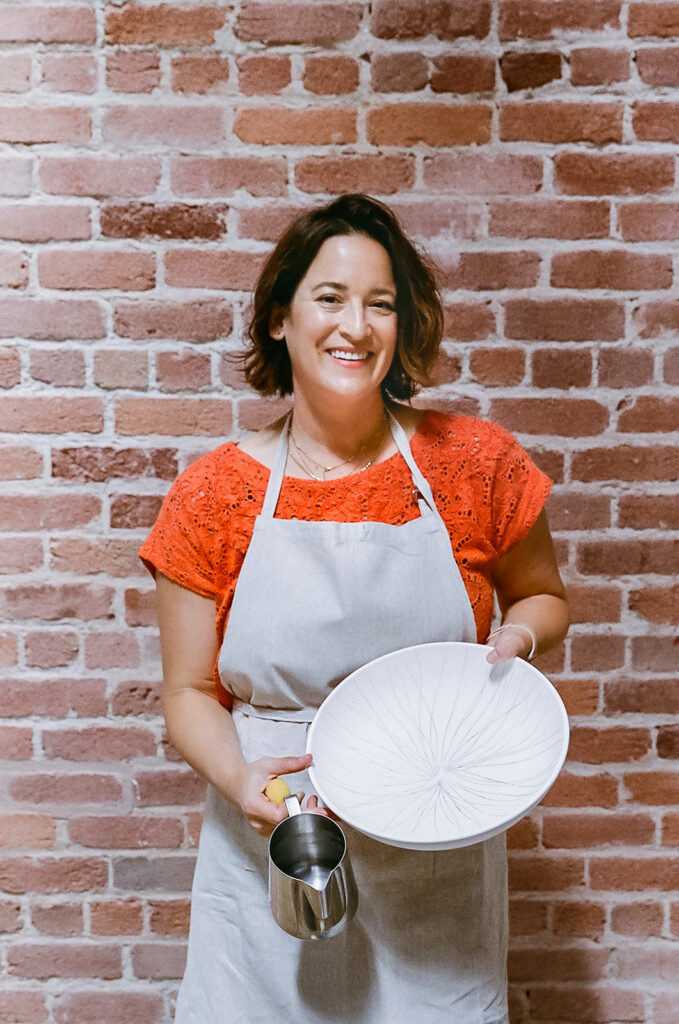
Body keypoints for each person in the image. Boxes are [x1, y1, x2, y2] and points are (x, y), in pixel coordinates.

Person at [139, 193, 569, 1023]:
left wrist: (518, 634)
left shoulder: (473, 464)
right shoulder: (215, 493)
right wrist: (238, 781)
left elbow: (543, 597)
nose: (356, 326)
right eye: (329, 298)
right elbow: (188, 690)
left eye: (381, 303)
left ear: (403, 327)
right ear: (278, 318)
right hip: (281, 833)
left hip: (434, 820)